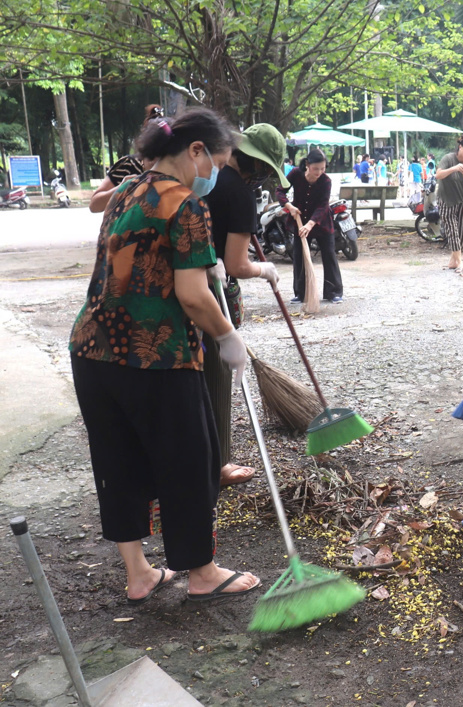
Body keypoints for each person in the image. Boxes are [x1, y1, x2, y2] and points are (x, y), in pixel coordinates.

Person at [68, 107, 261, 603]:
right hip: (155, 357)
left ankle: (140, 575)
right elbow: (194, 297)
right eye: (216, 160)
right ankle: (202, 573)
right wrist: (227, 337)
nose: (214, 174)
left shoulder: (125, 192)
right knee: (189, 461)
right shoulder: (186, 205)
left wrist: (204, 261)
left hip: (92, 348)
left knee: (117, 459)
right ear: (195, 152)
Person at [202, 123, 288, 486]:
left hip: (182, 281)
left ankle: (194, 458)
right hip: (209, 290)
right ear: (256, 164)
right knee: (218, 371)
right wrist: (263, 268)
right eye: (267, 171)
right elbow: (237, 264)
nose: (266, 179)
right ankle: (218, 464)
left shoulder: (207, 175)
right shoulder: (238, 194)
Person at [276, 149, 343, 304]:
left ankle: (333, 292)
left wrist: (310, 224)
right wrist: (289, 207)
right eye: (316, 168)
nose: (319, 172)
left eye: (322, 168)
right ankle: (301, 293)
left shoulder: (326, 181)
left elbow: (323, 205)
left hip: (321, 223)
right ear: (307, 164)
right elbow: (280, 191)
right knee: (300, 256)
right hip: (300, 222)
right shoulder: (295, 174)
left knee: (329, 255)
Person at [89, 105, 165, 213]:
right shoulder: (128, 165)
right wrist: (122, 188)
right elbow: (94, 205)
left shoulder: (176, 167)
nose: (154, 161)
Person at [435, 137, 463, 273]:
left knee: (462, 233)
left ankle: (453, 261)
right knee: (452, 231)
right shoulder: (448, 159)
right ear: (460, 147)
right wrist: (454, 169)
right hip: (447, 201)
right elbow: (439, 175)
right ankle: (460, 262)